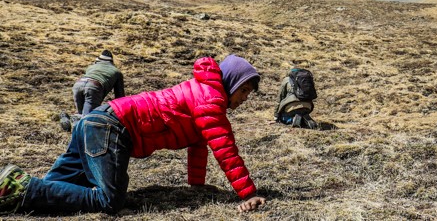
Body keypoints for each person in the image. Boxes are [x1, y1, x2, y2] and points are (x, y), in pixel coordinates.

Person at [0, 55, 266, 215]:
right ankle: (22, 185)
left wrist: (196, 185)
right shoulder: (210, 100)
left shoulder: (201, 93)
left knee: (57, 189)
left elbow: (199, 143)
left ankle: (12, 192)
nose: (244, 98)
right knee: (108, 200)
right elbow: (224, 149)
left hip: (96, 121)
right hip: (111, 127)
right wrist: (248, 194)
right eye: (244, 91)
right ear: (231, 81)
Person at [60, 49, 126, 132]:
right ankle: (76, 126)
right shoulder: (117, 72)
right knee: (87, 119)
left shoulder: (91, 67)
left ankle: (71, 120)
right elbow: (120, 97)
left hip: (78, 84)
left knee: (80, 114)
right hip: (94, 87)